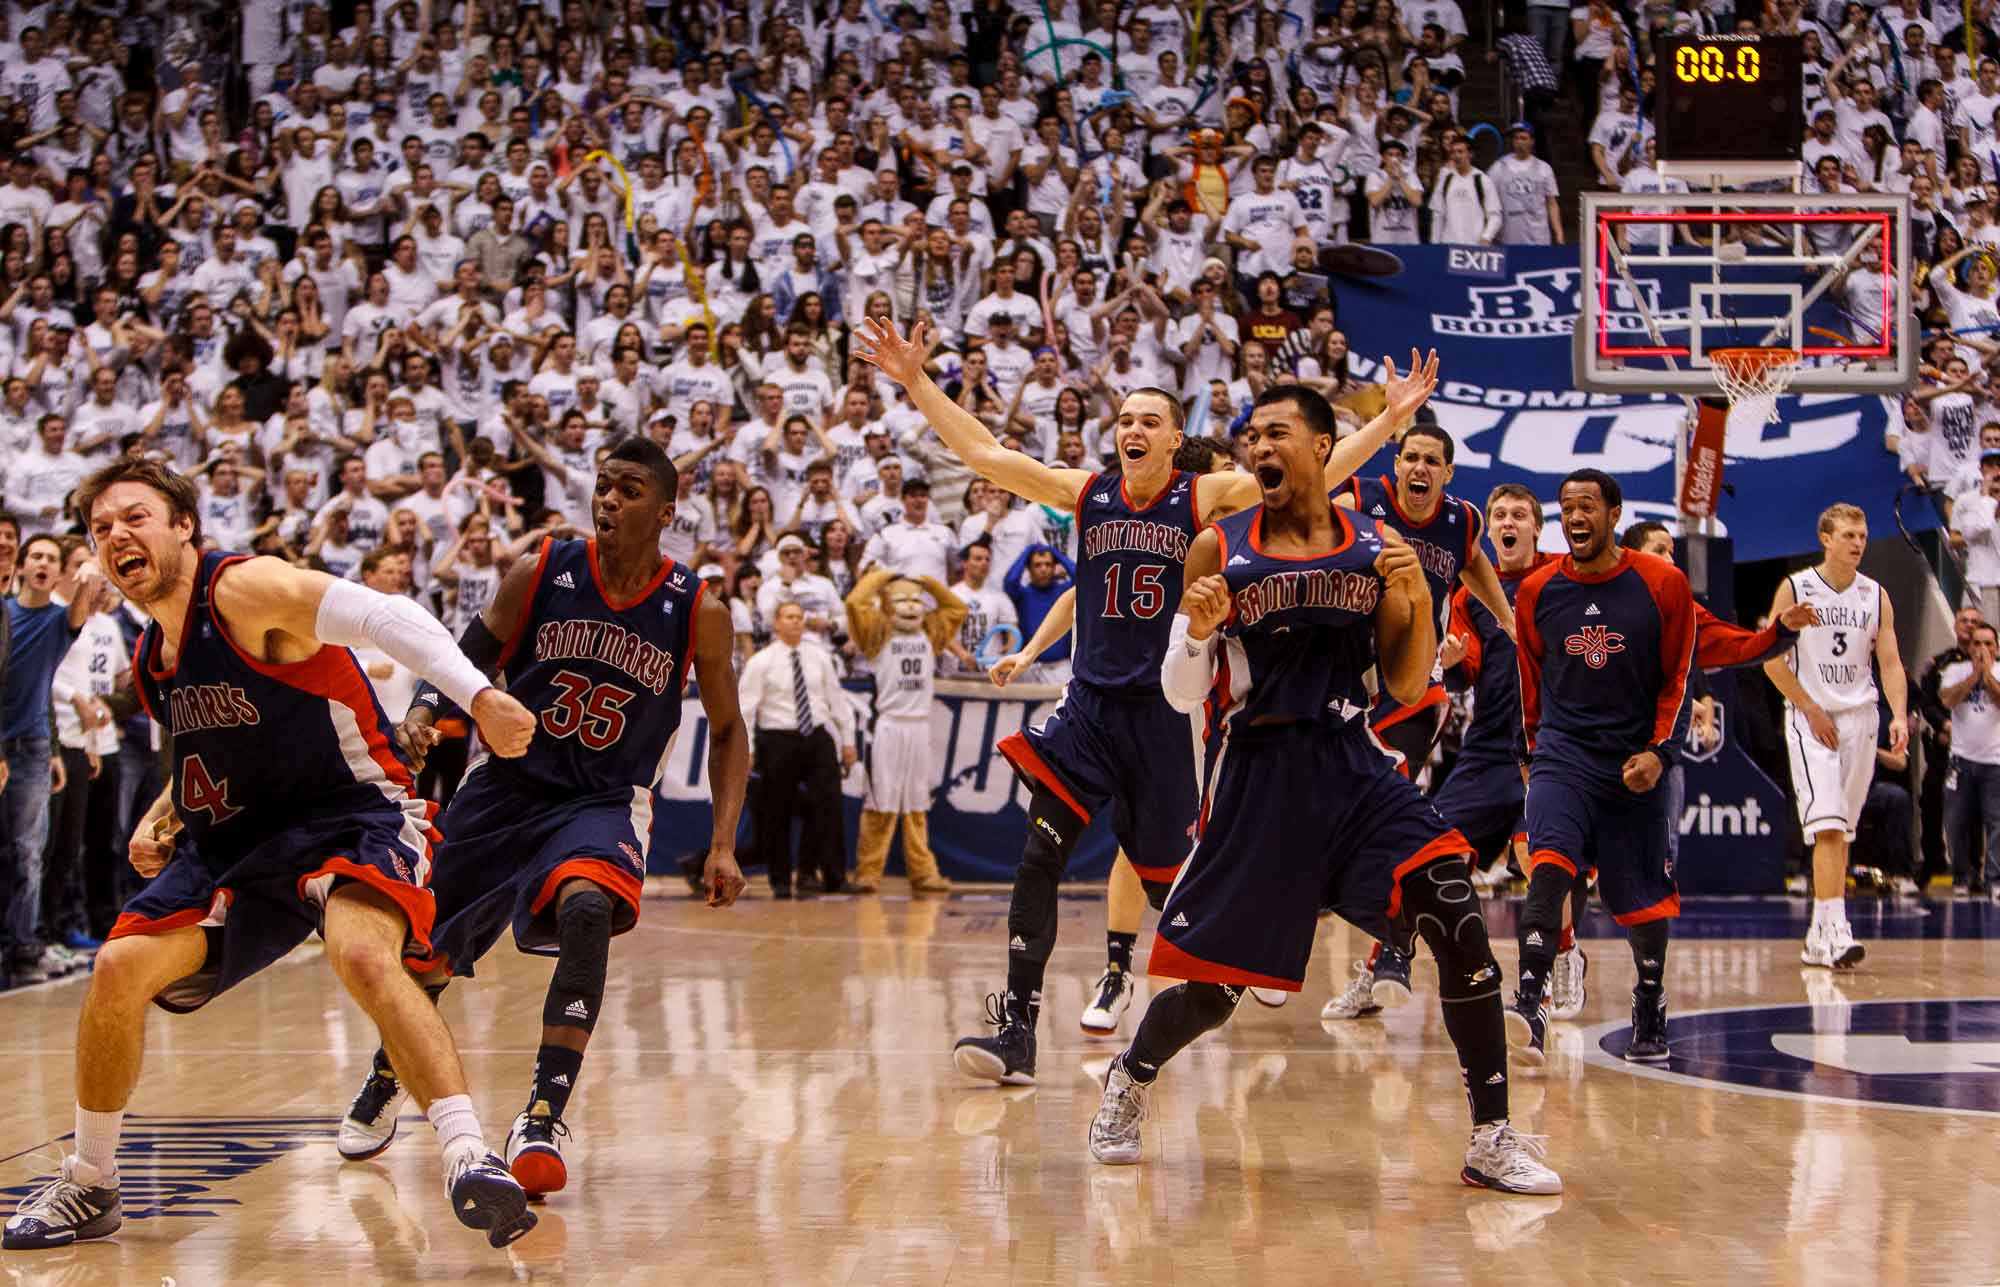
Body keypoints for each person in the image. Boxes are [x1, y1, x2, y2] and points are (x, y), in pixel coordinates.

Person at [852, 313, 1438, 1084]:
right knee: (1040, 853)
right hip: (1089, 710)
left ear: (1172, 439)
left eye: (1149, 420)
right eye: (1125, 419)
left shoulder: (1206, 497)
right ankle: (1018, 1030)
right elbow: (986, 454)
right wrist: (916, 381)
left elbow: (1311, 478)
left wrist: (1388, 422)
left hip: (1164, 722)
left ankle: (1255, 937)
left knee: (1175, 889)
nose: (1133, 428)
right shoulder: (1088, 493)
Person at [6, 459, 540, 1252]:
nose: (116, 535)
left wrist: (480, 695)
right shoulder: (154, 657)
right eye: (101, 527)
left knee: (362, 953)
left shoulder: (243, 589)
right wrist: (161, 816)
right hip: (243, 842)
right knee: (117, 967)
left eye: (136, 516)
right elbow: (212, 754)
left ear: (185, 524)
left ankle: (469, 1153)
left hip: (349, 814)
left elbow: (382, 612)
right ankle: (92, 1180)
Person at [1087, 383, 1560, 1197]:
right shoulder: (1217, 546)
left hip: (1354, 765)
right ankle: (1129, 1075)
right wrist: (1195, 633)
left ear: (1319, 446)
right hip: (1257, 779)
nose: (1259, 448)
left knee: (1456, 913)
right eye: (1252, 437)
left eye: (1276, 433)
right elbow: (1179, 691)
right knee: (1215, 992)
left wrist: (1416, 601)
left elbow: (1405, 684)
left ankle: (1491, 1135)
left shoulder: (1373, 547)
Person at [334, 438, 750, 1199]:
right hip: (507, 785)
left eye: (628, 490)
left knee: (588, 909)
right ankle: (392, 1070)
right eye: (603, 486)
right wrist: (425, 710)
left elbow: (727, 729)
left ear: (666, 512)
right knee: (428, 954)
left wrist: (723, 842)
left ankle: (542, 1115)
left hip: (602, 799)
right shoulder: (542, 569)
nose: (609, 500)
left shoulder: (699, 609)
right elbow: (468, 656)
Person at [1328, 482, 1546, 1020]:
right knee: (1420, 855)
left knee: (1541, 856)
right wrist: (1449, 661)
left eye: (1519, 514)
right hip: (1489, 753)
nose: (1508, 522)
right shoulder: (1469, 598)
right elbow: (1464, 671)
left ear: (1538, 528)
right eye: (1499, 514)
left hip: (1551, 751)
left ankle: (1548, 976)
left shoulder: (1559, 584)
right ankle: (1387, 962)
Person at [1506, 469, 1695, 1067]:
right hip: (1562, 754)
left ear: (1614, 514)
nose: (1575, 517)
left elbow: (1679, 679)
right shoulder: (1538, 590)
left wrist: (1660, 753)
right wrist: (1530, 753)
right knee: (1547, 868)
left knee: (1641, 900)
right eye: (1566, 508)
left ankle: (1649, 998)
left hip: (1634, 760)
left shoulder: (1662, 583)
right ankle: (1530, 1001)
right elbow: (1529, 680)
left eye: (1587, 505)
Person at [1762, 504, 1909, 968]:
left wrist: (1898, 715)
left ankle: (1818, 935)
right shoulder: (1796, 587)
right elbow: (1770, 659)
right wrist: (1809, 708)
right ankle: (1836, 930)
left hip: (1860, 718)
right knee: (1826, 825)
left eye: (1862, 535)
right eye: (1848, 535)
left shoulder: (1876, 595)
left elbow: (1890, 662)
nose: (1858, 543)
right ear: (1825, 538)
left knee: (1841, 832)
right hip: (1813, 717)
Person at [1, 533, 95, 985]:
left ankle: (24, 949)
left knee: (27, 852)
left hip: (31, 748)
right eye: (35, 556)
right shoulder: (4, 612)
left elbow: (81, 609)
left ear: (58, 573)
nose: (42, 563)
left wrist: (88, 576)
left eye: (51, 559)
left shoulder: (61, 621)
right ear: (20, 566)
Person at [844, 567, 965, 894]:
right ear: (886, 604)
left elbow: (957, 608)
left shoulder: (931, 632)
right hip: (888, 726)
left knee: (916, 806)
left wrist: (929, 582)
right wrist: (882, 578)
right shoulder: (877, 633)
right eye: (902, 600)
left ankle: (923, 874)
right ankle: (868, 873)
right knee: (879, 804)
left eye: (916, 600)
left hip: (919, 728)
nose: (911, 606)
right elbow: (855, 603)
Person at [740, 601, 857, 898]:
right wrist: (748, 749)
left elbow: (837, 700)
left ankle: (833, 876)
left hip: (816, 735)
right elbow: (746, 711)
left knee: (828, 805)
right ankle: (780, 881)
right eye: (789, 617)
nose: (795, 621)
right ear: (776, 623)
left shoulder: (819, 657)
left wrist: (848, 740)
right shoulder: (762, 661)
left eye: (799, 617)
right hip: (777, 739)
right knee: (776, 812)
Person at [1940, 621, 2000, 897]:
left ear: (1996, 648)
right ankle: (1962, 876)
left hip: (1995, 761)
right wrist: (1974, 676)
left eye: (1988, 643)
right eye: (1977, 643)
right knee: (1956, 823)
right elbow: (1947, 700)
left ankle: (1994, 879)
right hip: (1961, 760)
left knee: (1996, 823)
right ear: (1969, 647)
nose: (1982, 648)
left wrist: (1987, 675)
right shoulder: (1955, 671)